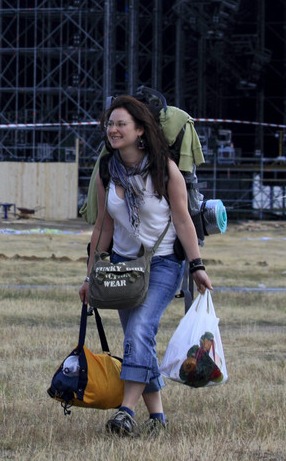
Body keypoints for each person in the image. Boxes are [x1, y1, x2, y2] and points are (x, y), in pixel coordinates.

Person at [78, 95, 213, 437]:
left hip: (164, 264)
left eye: (121, 124)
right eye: (110, 124)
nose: (113, 129)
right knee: (140, 341)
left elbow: (183, 222)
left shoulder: (164, 169)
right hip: (123, 268)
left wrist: (196, 266)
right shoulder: (108, 170)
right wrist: (89, 275)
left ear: (140, 130)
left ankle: (126, 412)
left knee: (139, 332)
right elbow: (103, 228)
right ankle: (158, 420)